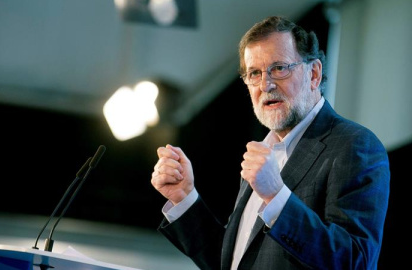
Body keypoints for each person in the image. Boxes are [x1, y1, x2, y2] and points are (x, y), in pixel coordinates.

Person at [150, 15, 390, 270]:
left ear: (314, 74)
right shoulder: (263, 153)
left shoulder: (354, 146)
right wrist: (184, 197)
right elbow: (232, 262)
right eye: (254, 73)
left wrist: (277, 195)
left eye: (279, 68)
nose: (266, 84)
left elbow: (355, 262)